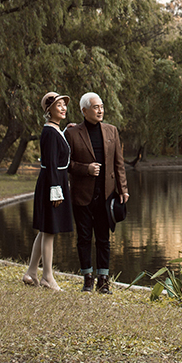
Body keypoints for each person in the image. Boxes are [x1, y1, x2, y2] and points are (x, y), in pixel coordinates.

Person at [65, 92, 129, 293]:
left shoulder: (112, 131)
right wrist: (86, 169)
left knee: (103, 239)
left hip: (106, 196)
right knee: (84, 238)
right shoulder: (72, 133)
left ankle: (103, 280)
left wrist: (123, 190)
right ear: (84, 111)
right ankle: (87, 279)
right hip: (81, 195)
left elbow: (119, 163)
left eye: (101, 106)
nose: (100, 110)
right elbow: (66, 164)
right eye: (95, 107)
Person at [21, 92, 74, 291]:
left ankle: (31, 272)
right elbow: (51, 163)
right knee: (50, 230)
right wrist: (56, 190)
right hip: (53, 182)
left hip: (54, 180)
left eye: (64, 105)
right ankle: (47, 277)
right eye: (58, 105)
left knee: (45, 230)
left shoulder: (54, 131)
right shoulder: (50, 133)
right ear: (48, 110)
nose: (63, 108)